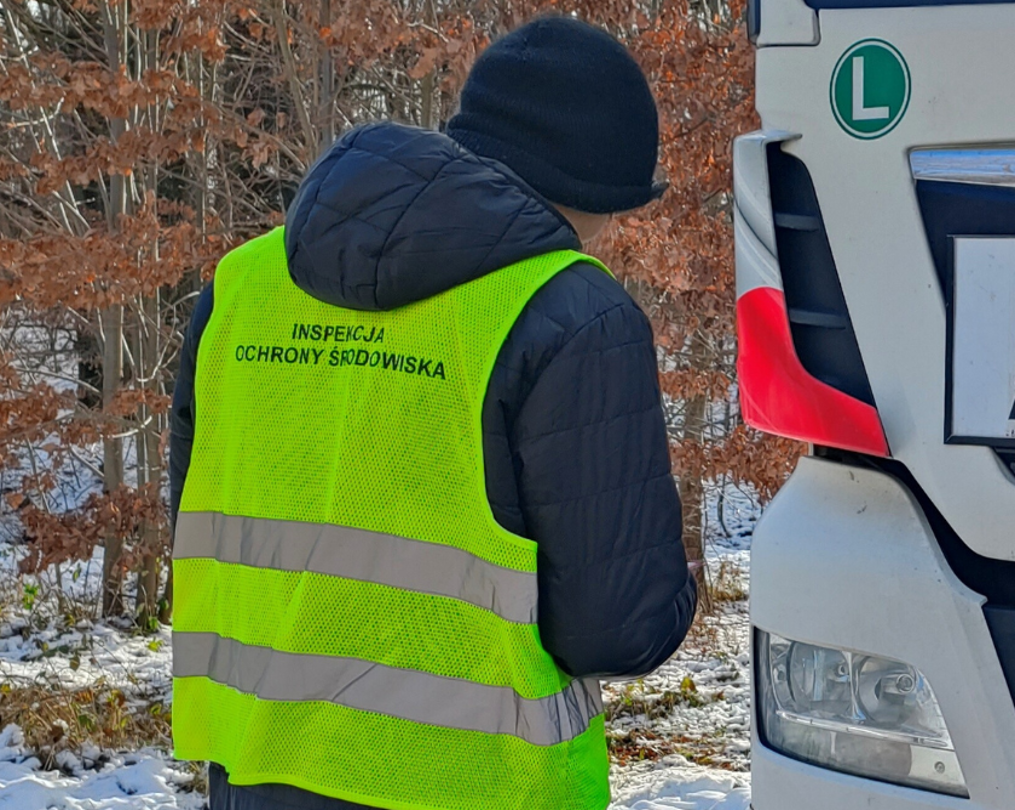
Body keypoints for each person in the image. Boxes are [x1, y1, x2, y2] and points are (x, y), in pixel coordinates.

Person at [166, 17, 694, 810]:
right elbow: (619, 629)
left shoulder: (242, 289)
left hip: (261, 769)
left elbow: (205, 523)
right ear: (594, 188)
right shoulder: (570, 312)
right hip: (480, 787)